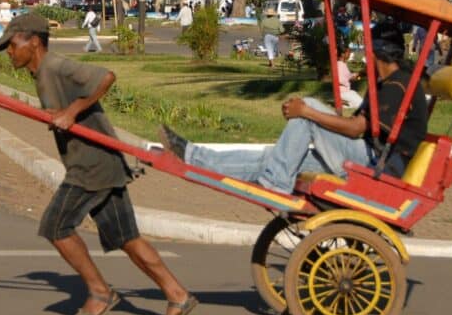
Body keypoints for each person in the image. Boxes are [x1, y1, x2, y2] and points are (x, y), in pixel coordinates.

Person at [0, 14, 196, 315]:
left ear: (34, 42)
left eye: (12, 45)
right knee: (127, 238)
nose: (9, 52)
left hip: (92, 165)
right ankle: (177, 295)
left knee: (56, 226)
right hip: (99, 163)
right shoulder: (41, 73)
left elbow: (106, 76)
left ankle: (100, 292)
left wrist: (71, 112)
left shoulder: (56, 66)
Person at [159, 22, 428, 195]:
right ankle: (194, 156)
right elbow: (356, 126)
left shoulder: (398, 85)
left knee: (308, 106)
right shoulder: (383, 83)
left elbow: (357, 129)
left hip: (374, 164)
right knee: (274, 158)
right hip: (365, 155)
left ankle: (276, 183)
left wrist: (308, 113)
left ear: (375, 51)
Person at [337, 44, 362, 109]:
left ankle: (344, 104)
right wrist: (351, 78)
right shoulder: (339, 65)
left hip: (346, 91)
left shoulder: (343, 64)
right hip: (342, 92)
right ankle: (342, 102)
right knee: (361, 103)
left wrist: (355, 75)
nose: (350, 54)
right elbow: (340, 80)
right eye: (348, 52)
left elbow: (349, 76)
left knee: (355, 96)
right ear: (342, 54)